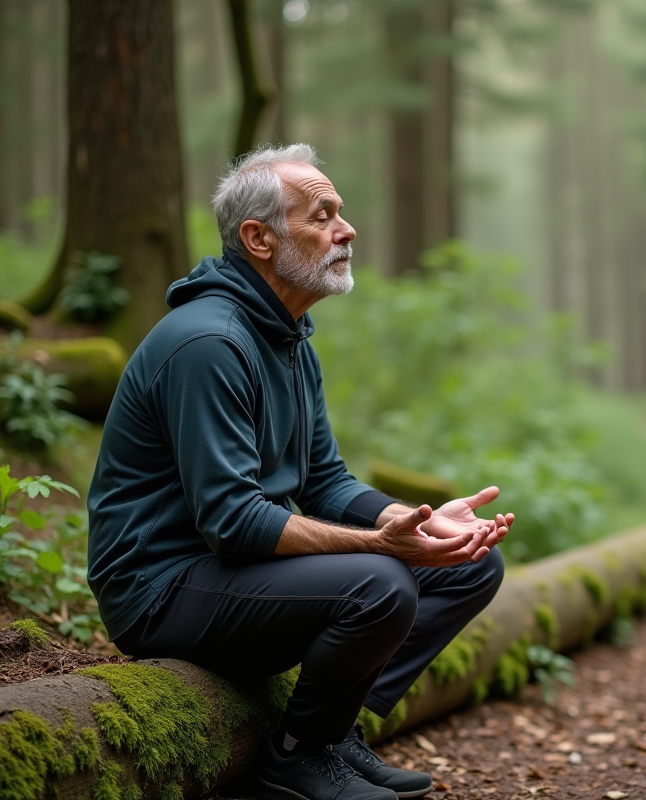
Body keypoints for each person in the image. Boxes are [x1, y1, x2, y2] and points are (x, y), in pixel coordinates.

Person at [87, 143, 511, 800]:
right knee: (382, 582)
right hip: (160, 588)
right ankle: (298, 758)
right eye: (323, 215)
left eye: (340, 213)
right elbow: (232, 520)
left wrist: (411, 522)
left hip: (229, 575)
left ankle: (334, 732)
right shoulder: (209, 343)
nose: (347, 231)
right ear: (258, 238)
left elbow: (325, 483)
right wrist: (381, 548)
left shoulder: (287, 334)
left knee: (469, 563)